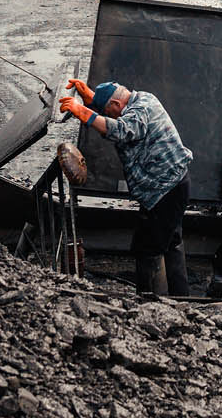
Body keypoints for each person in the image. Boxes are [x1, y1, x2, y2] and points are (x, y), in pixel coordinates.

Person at [61, 78, 193, 297]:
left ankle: (150, 303)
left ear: (116, 104)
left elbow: (122, 129)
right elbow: (117, 115)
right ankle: (182, 298)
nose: (108, 114)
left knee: (147, 249)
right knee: (170, 242)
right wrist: (92, 99)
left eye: (108, 110)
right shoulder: (143, 98)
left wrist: (84, 112)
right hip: (170, 187)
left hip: (166, 191)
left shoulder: (138, 112)